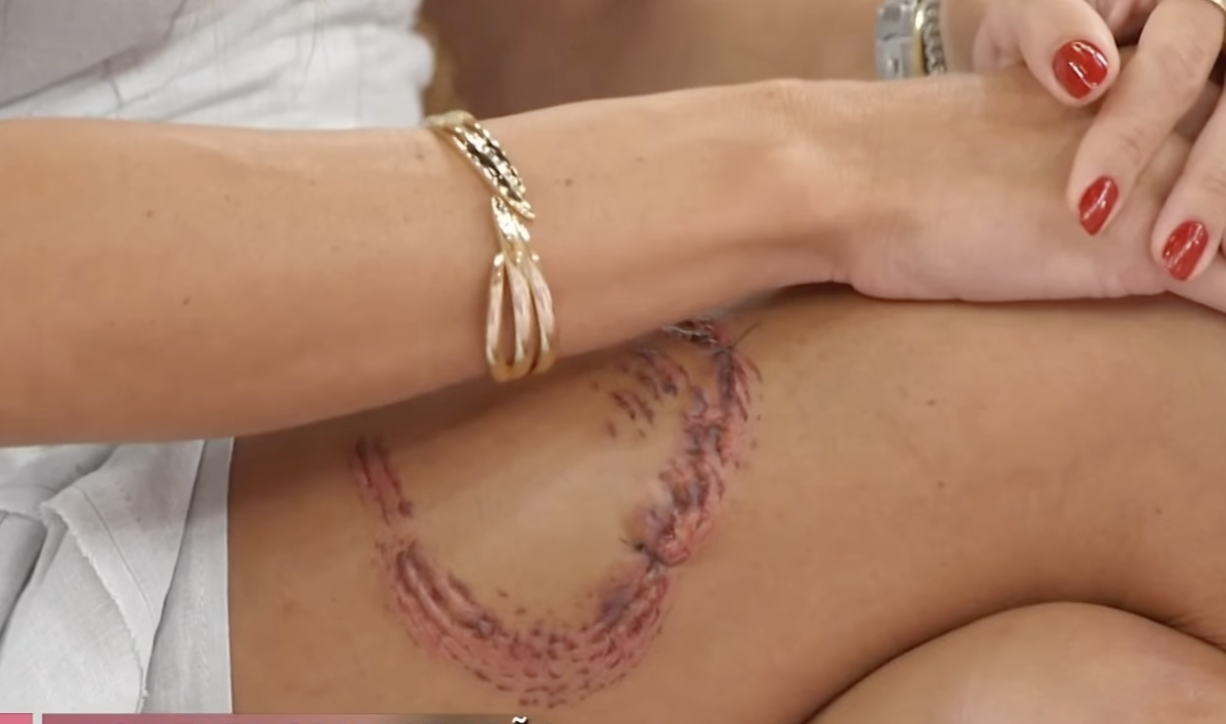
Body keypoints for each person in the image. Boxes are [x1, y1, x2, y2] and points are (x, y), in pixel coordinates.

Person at [3, 0, 1226, 721]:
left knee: (1097, 699)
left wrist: (961, 46)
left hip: (405, 285)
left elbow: (542, 28)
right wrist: (839, 169)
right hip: (63, 486)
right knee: (1164, 391)